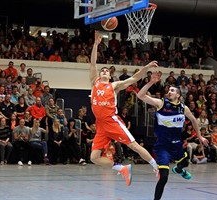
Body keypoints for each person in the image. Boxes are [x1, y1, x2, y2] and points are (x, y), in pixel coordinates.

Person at [89, 31, 158, 187]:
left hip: (112, 121)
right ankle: (122, 169)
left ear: (110, 76)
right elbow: (93, 63)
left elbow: (134, 78)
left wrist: (146, 67)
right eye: (103, 70)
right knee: (94, 157)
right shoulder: (95, 82)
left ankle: (156, 166)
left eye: (107, 70)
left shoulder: (114, 85)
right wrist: (95, 45)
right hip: (100, 125)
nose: (104, 71)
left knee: (133, 145)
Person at [137, 71, 208, 200]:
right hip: (163, 145)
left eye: (173, 91)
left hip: (176, 144)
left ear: (178, 95)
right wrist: (151, 82)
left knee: (185, 163)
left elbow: (193, 120)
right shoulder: (161, 103)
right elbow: (141, 95)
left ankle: (179, 170)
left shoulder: (183, 108)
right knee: (164, 177)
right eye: (169, 90)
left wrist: (200, 137)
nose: (169, 92)